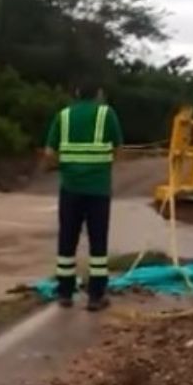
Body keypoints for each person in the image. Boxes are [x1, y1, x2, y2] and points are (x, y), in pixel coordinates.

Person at [43, 85, 124, 311]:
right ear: (99, 93)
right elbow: (119, 150)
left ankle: (65, 294)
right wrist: (100, 166)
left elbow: (49, 154)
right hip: (98, 190)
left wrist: (66, 167)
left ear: (76, 93)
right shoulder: (107, 114)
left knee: (67, 240)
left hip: (70, 189)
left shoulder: (63, 116)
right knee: (98, 243)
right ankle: (96, 297)